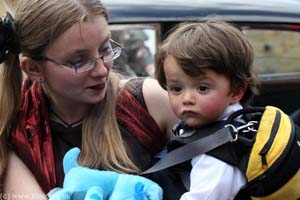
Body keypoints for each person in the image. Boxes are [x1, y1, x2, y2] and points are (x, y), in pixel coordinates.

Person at [0, 0, 177, 197]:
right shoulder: (15, 129)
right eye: (78, 61)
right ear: (33, 69)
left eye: (105, 49)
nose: (102, 70)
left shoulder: (150, 101)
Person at [154, 21, 259, 199]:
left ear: (236, 91)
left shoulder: (219, 155)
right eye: (176, 88)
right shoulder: (214, 125)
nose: (186, 99)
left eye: (202, 88)